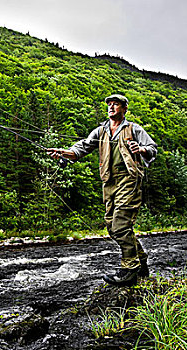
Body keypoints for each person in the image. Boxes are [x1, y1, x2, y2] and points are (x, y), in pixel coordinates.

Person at [47, 94, 157, 286]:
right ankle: (141, 261)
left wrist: (141, 149)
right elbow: (82, 147)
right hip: (109, 181)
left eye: (116, 104)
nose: (111, 107)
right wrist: (64, 152)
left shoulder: (133, 129)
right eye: (109, 104)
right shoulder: (101, 130)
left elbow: (152, 148)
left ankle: (129, 269)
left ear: (124, 108)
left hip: (129, 179)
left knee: (120, 224)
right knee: (111, 226)